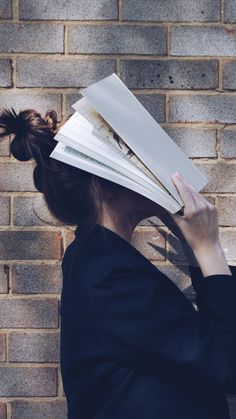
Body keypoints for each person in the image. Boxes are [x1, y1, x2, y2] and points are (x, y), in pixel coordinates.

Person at [0, 107, 236, 419]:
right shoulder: (108, 275)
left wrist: (195, 245)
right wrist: (208, 248)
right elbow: (228, 362)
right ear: (104, 183)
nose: (154, 170)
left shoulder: (99, 259)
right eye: (136, 162)